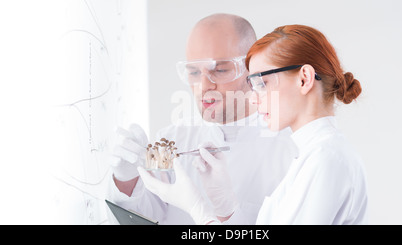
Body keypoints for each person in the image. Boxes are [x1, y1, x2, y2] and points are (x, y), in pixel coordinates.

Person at [138, 24, 369, 224]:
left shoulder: (326, 159)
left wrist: (198, 210)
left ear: (304, 78)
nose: (252, 96)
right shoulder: (312, 155)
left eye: (262, 82)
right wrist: (227, 209)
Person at [107, 14, 298, 225]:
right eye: (193, 72)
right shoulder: (171, 139)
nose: (204, 85)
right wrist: (126, 179)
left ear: (251, 69)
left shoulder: (291, 153)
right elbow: (142, 217)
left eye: (220, 70)